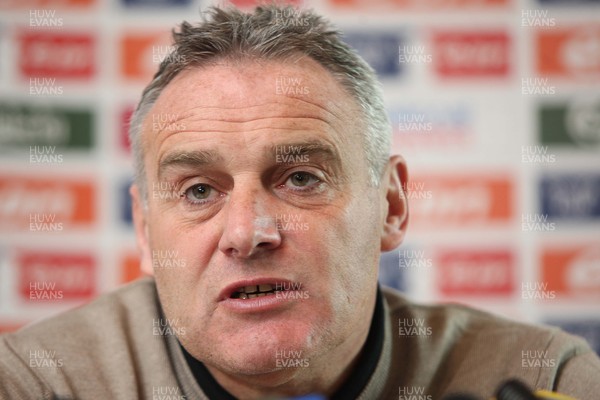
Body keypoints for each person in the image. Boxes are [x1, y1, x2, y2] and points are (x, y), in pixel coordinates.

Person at [1, 5, 599, 400]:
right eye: (200, 191)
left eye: (301, 178)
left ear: (390, 206)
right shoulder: (36, 381)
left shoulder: (543, 376)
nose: (247, 232)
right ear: (144, 231)